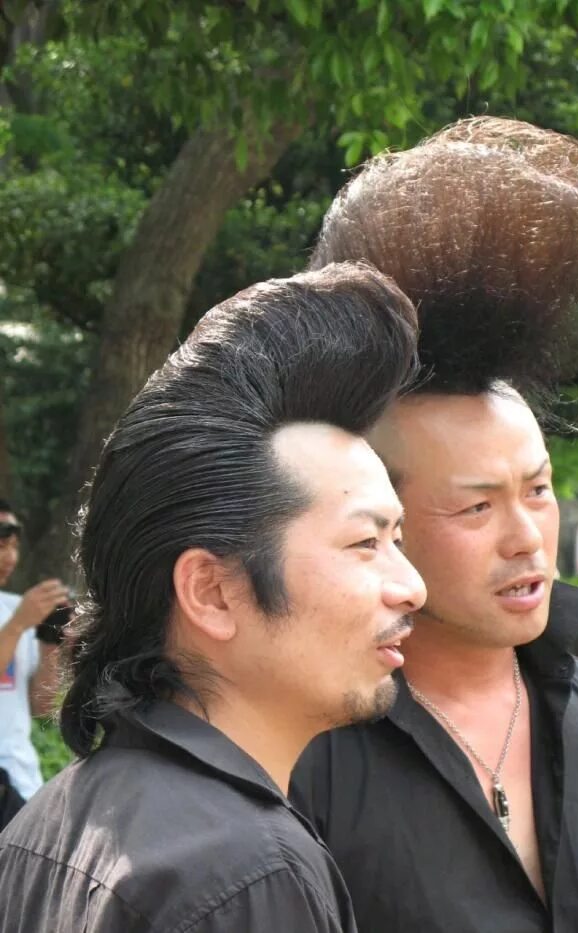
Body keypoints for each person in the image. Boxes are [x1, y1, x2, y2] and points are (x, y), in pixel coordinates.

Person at [291, 117, 578, 932]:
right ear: (383, 526)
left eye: (538, 489)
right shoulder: (309, 743)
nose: (528, 535)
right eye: (476, 505)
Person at [0, 263, 427, 933]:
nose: (412, 585)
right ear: (213, 591)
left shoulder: (42, 824)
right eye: (365, 543)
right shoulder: (250, 871)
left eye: (399, 538)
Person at [0, 498, 69, 826]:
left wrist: (50, 639)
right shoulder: (19, 615)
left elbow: (41, 704)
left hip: (22, 783)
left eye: (13, 545)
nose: (9, 556)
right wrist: (17, 626)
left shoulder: (16, 607)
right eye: (0, 544)